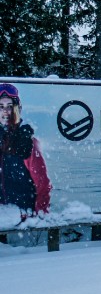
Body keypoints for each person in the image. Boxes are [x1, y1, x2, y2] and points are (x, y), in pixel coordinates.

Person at [0, 83, 51, 220]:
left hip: (23, 221)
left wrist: (39, 216)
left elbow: (43, 185)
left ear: (16, 109)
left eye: (10, 106)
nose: (5, 111)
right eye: (1, 107)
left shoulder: (26, 142)